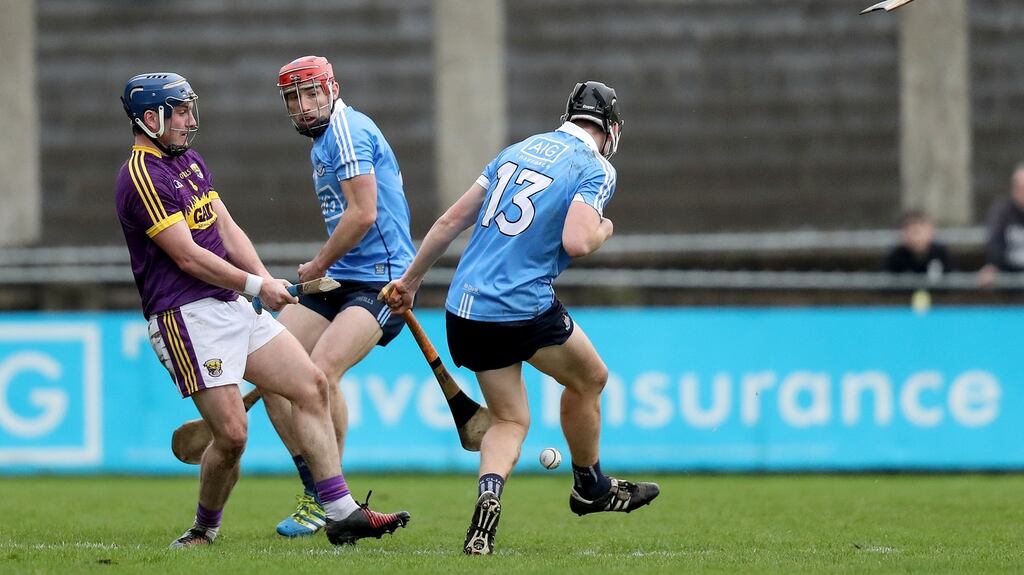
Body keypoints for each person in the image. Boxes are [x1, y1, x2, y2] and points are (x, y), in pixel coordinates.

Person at [114, 72, 409, 548]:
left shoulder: (189, 161)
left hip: (232, 306)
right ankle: (203, 529)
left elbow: (227, 228)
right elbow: (188, 256)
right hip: (186, 318)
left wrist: (262, 283)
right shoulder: (141, 176)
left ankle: (340, 511)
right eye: (182, 112)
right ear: (151, 119)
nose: (192, 120)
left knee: (311, 385)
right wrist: (256, 284)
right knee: (231, 436)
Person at [381, 81, 660, 555]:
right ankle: (589, 487)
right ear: (610, 130)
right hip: (521, 309)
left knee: (510, 420)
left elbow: (450, 222)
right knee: (591, 378)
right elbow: (577, 240)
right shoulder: (597, 167)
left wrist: (409, 282)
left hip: (463, 310)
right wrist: (604, 230)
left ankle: (487, 505)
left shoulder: (519, 149)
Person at [264, 55, 417, 538]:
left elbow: (363, 214)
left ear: (333, 89)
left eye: (312, 94)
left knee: (321, 373)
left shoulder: (348, 131)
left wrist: (317, 265)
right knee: (269, 369)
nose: (305, 106)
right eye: (294, 98)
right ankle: (320, 491)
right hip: (340, 282)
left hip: (382, 281)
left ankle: (336, 501)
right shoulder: (321, 143)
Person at [978, 163, 1024, 287]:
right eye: (1019, 188)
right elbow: (994, 241)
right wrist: (993, 264)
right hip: (1007, 277)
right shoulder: (1002, 211)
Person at [884, 210, 950, 278]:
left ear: (931, 231)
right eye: (912, 232)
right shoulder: (896, 257)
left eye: (919, 232)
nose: (916, 238)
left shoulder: (941, 253)